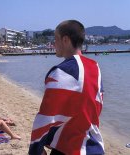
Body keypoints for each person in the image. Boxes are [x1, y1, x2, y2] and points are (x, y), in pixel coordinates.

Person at [28, 20, 104, 155]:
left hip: (68, 149)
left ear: (65, 40)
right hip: (94, 148)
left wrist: (36, 149)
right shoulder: (95, 68)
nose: (53, 44)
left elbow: (46, 116)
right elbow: (96, 108)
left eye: (55, 39)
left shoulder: (61, 72)